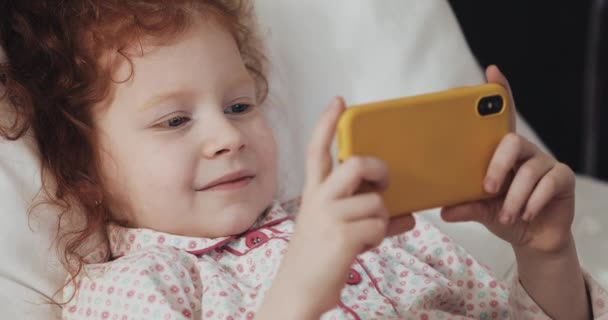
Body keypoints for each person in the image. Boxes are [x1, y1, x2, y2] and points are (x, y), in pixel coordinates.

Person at [0, 1, 605, 319]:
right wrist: (301, 288)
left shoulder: (383, 232)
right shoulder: (138, 289)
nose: (226, 137)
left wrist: (545, 252)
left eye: (239, 105)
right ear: (85, 172)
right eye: (175, 120)